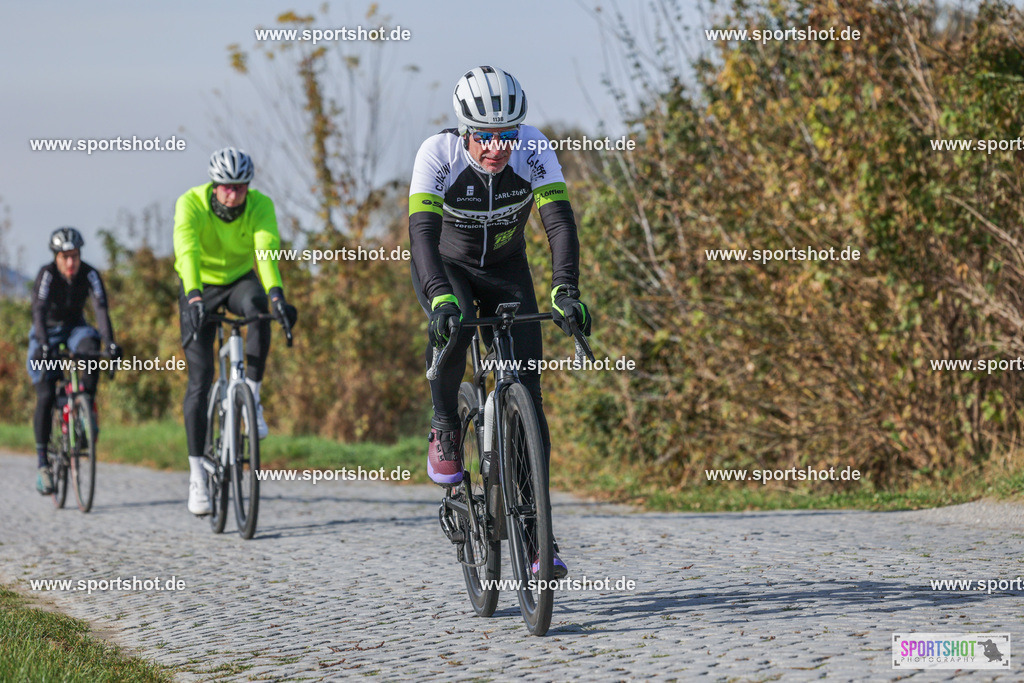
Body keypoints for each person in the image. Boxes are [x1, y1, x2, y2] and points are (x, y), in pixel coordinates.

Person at [408, 66, 593, 577]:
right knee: (457, 327)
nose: (497, 148)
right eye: (485, 136)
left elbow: (557, 223)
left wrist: (565, 289)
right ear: (465, 129)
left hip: (508, 269)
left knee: (528, 395)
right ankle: (446, 425)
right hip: (449, 268)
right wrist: (439, 296)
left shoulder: (534, 149)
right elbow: (421, 235)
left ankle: (538, 542)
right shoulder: (437, 155)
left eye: (507, 134)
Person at [173, 147, 296, 516]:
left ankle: (252, 399)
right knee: (201, 378)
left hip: (240, 281)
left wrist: (276, 295)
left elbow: (266, 251)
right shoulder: (190, 204)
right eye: (225, 187)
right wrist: (194, 296)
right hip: (200, 286)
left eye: (239, 187)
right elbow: (186, 250)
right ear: (214, 186)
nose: (232, 194)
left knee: (260, 312)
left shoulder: (261, 205)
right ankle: (197, 474)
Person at [28, 227, 122, 494]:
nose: (71, 262)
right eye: (65, 256)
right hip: (46, 331)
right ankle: (43, 465)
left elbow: (101, 310)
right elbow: (38, 310)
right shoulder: (47, 275)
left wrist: (111, 344)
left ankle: (85, 409)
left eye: (75, 256)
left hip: (75, 328)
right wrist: (45, 345)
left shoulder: (89, 274)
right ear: (56, 257)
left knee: (91, 349)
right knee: (45, 395)